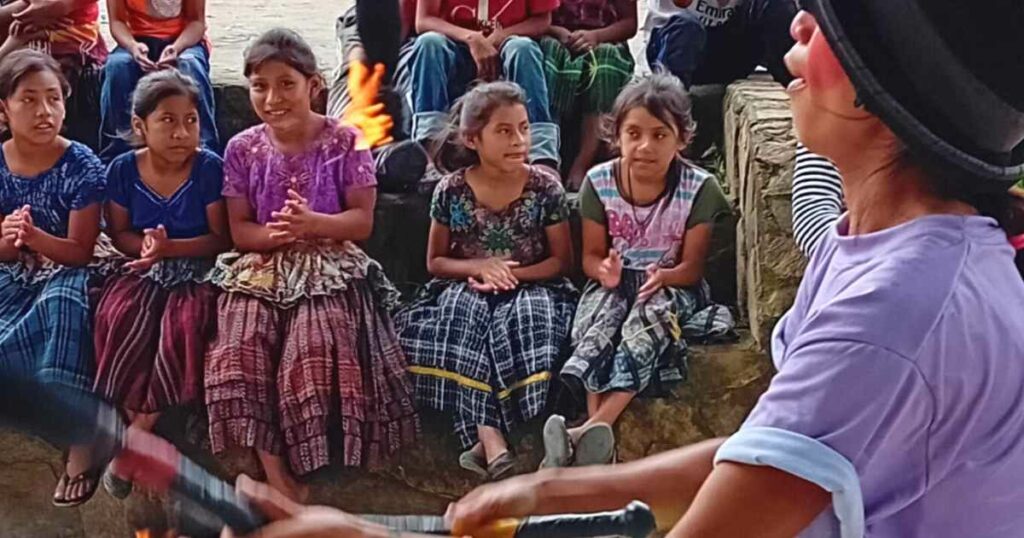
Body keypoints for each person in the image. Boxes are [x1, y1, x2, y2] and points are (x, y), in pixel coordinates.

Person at [441, 1, 1024, 537]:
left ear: (883, 90)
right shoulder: (886, 250)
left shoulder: (893, 312)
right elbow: (761, 459)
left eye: (828, 23)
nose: (796, 23)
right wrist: (545, 492)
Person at [203, 29, 419, 503]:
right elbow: (240, 230)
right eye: (259, 86)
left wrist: (312, 223)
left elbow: (360, 222)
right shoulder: (242, 148)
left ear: (314, 84)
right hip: (260, 266)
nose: (272, 98)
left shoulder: (345, 140)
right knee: (238, 350)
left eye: (286, 84)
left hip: (328, 263)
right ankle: (278, 480)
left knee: (314, 348)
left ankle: (304, 476)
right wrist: (273, 235)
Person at [540, 73, 731, 470]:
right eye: (634, 133)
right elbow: (590, 257)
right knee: (599, 321)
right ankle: (597, 447)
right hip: (615, 281)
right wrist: (604, 271)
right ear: (617, 136)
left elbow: (691, 268)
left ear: (682, 138)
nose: (645, 146)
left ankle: (589, 429)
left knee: (646, 320)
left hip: (670, 284)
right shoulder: (599, 182)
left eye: (660, 135)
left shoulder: (700, 188)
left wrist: (664, 278)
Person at [394, 82, 575, 481]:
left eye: (524, 129)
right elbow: (436, 262)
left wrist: (510, 273)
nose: (519, 140)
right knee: (463, 313)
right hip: (465, 285)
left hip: (532, 285)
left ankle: (485, 436)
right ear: (473, 139)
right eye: (504, 131)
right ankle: (491, 437)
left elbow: (560, 262)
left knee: (531, 318)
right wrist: (479, 267)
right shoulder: (452, 190)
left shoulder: (545, 187)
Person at [92, 69, 230, 499]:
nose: (182, 132)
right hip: (141, 265)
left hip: (195, 269)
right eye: (167, 121)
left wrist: (172, 249)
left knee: (183, 325)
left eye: (191, 120)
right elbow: (118, 233)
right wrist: (147, 248)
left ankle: (135, 437)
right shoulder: (122, 170)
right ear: (140, 126)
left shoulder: (208, 168)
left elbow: (220, 238)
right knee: (118, 317)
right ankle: (133, 428)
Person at [0, 50, 106, 507]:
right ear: (3, 110)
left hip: (68, 267)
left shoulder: (82, 165)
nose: (45, 111)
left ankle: (82, 439)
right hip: (15, 269)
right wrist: (9, 241)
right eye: (29, 100)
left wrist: (35, 237)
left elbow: (80, 251)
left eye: (53, 99)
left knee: (66, 303)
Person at [410, 0, 561, 166]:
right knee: (429, 43)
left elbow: (542, 20)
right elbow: (424, 21)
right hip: (455, 45)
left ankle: (541, 156)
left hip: (507, 44)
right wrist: (472, 38)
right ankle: (429, 153)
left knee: (523, 49)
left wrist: (501, 36)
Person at [99, 0, 218, 162]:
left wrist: (176, 48)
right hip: (136, 40)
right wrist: (133, 46)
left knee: (190, 65)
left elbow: (196, 23)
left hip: (183, 41)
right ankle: (116, 155)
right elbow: (117, 22)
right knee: (117, 67)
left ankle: (206, 150)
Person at [540, 0, 638, 190]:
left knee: (604, 63)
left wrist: (596, 36)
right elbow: (534, 18)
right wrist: (555, 31)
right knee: (547, 55)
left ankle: (583, 161)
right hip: (554, 38)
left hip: (603, 41)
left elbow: (629, 24)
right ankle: (549, 157)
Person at [0, 0, 107, 149]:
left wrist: (64, 6)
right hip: (18, 42)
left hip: (71, 48)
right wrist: (22, 12)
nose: (43, 111)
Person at [644, 0, 796, 88]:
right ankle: (669, 105)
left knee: (776, 4)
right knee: (688, 28)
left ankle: (792, 86)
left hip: (723, 48)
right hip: (672, 45)